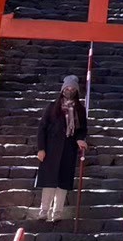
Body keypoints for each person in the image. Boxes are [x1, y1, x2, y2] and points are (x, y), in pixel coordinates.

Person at [35, 74, 88, 222]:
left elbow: (82, 129)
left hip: (68, 150)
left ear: (76, 91)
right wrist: (41, 148)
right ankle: (43, 211)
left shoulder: (80, 110)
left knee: (63, 182)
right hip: (51, 149)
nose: (69, 90)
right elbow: (42, 128)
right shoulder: (52, 107)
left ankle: (57, 212)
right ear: (62, 90)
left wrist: (79, 139)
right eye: (67, 88)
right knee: (49, 182)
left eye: (72, 88)